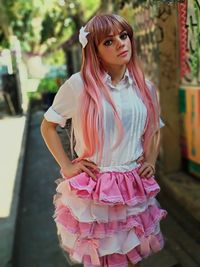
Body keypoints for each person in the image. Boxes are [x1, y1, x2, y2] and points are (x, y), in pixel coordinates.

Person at [40, 13, 167, 267]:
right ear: (95, 52)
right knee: (101, 258)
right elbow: (48, 126)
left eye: (123, 36)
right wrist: (67, 166)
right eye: (108, 42)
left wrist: (151, 159)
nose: (121, 44)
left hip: (134, 187)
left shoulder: (145, 86)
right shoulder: (79, 86)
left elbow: (154, 127)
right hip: (95, 188)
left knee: (132, 257)